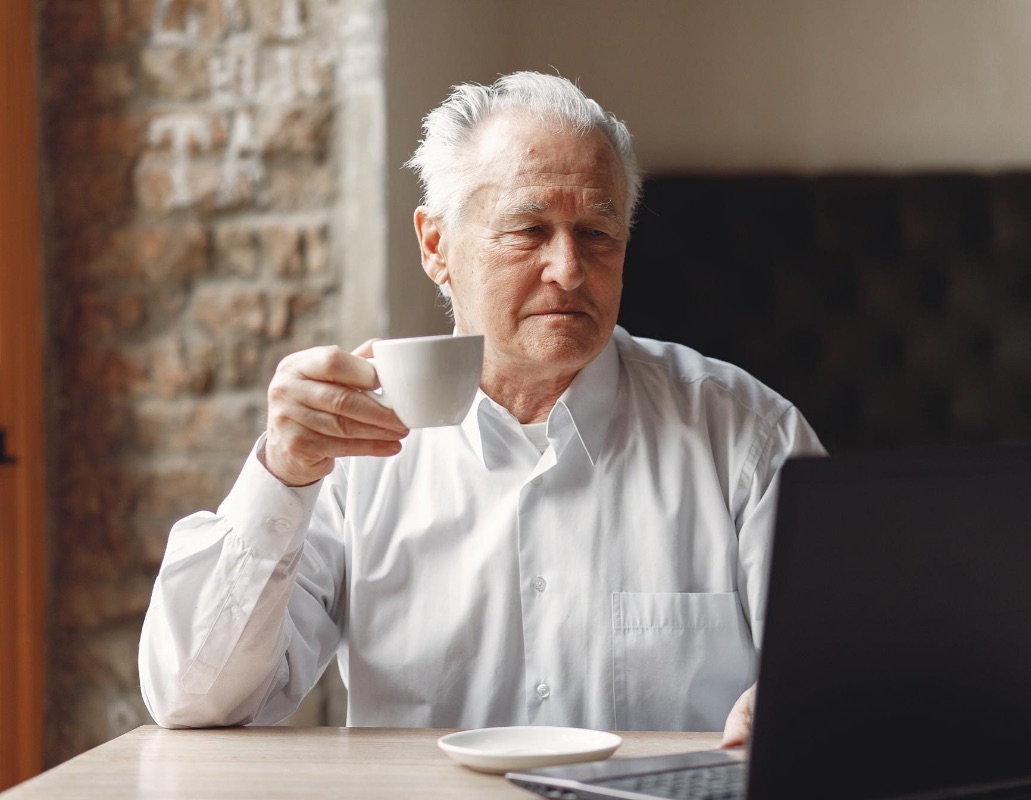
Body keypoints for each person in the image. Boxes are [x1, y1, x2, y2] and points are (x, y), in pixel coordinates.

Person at [138, 72, 824, 745]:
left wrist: (810, 705)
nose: (569, 270)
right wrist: (282, 475)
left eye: (597, 234)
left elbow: (853, 670)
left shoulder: (746, 436)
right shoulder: (353, 446)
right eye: (529, 230)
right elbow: (197, 701)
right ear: (436, 246)